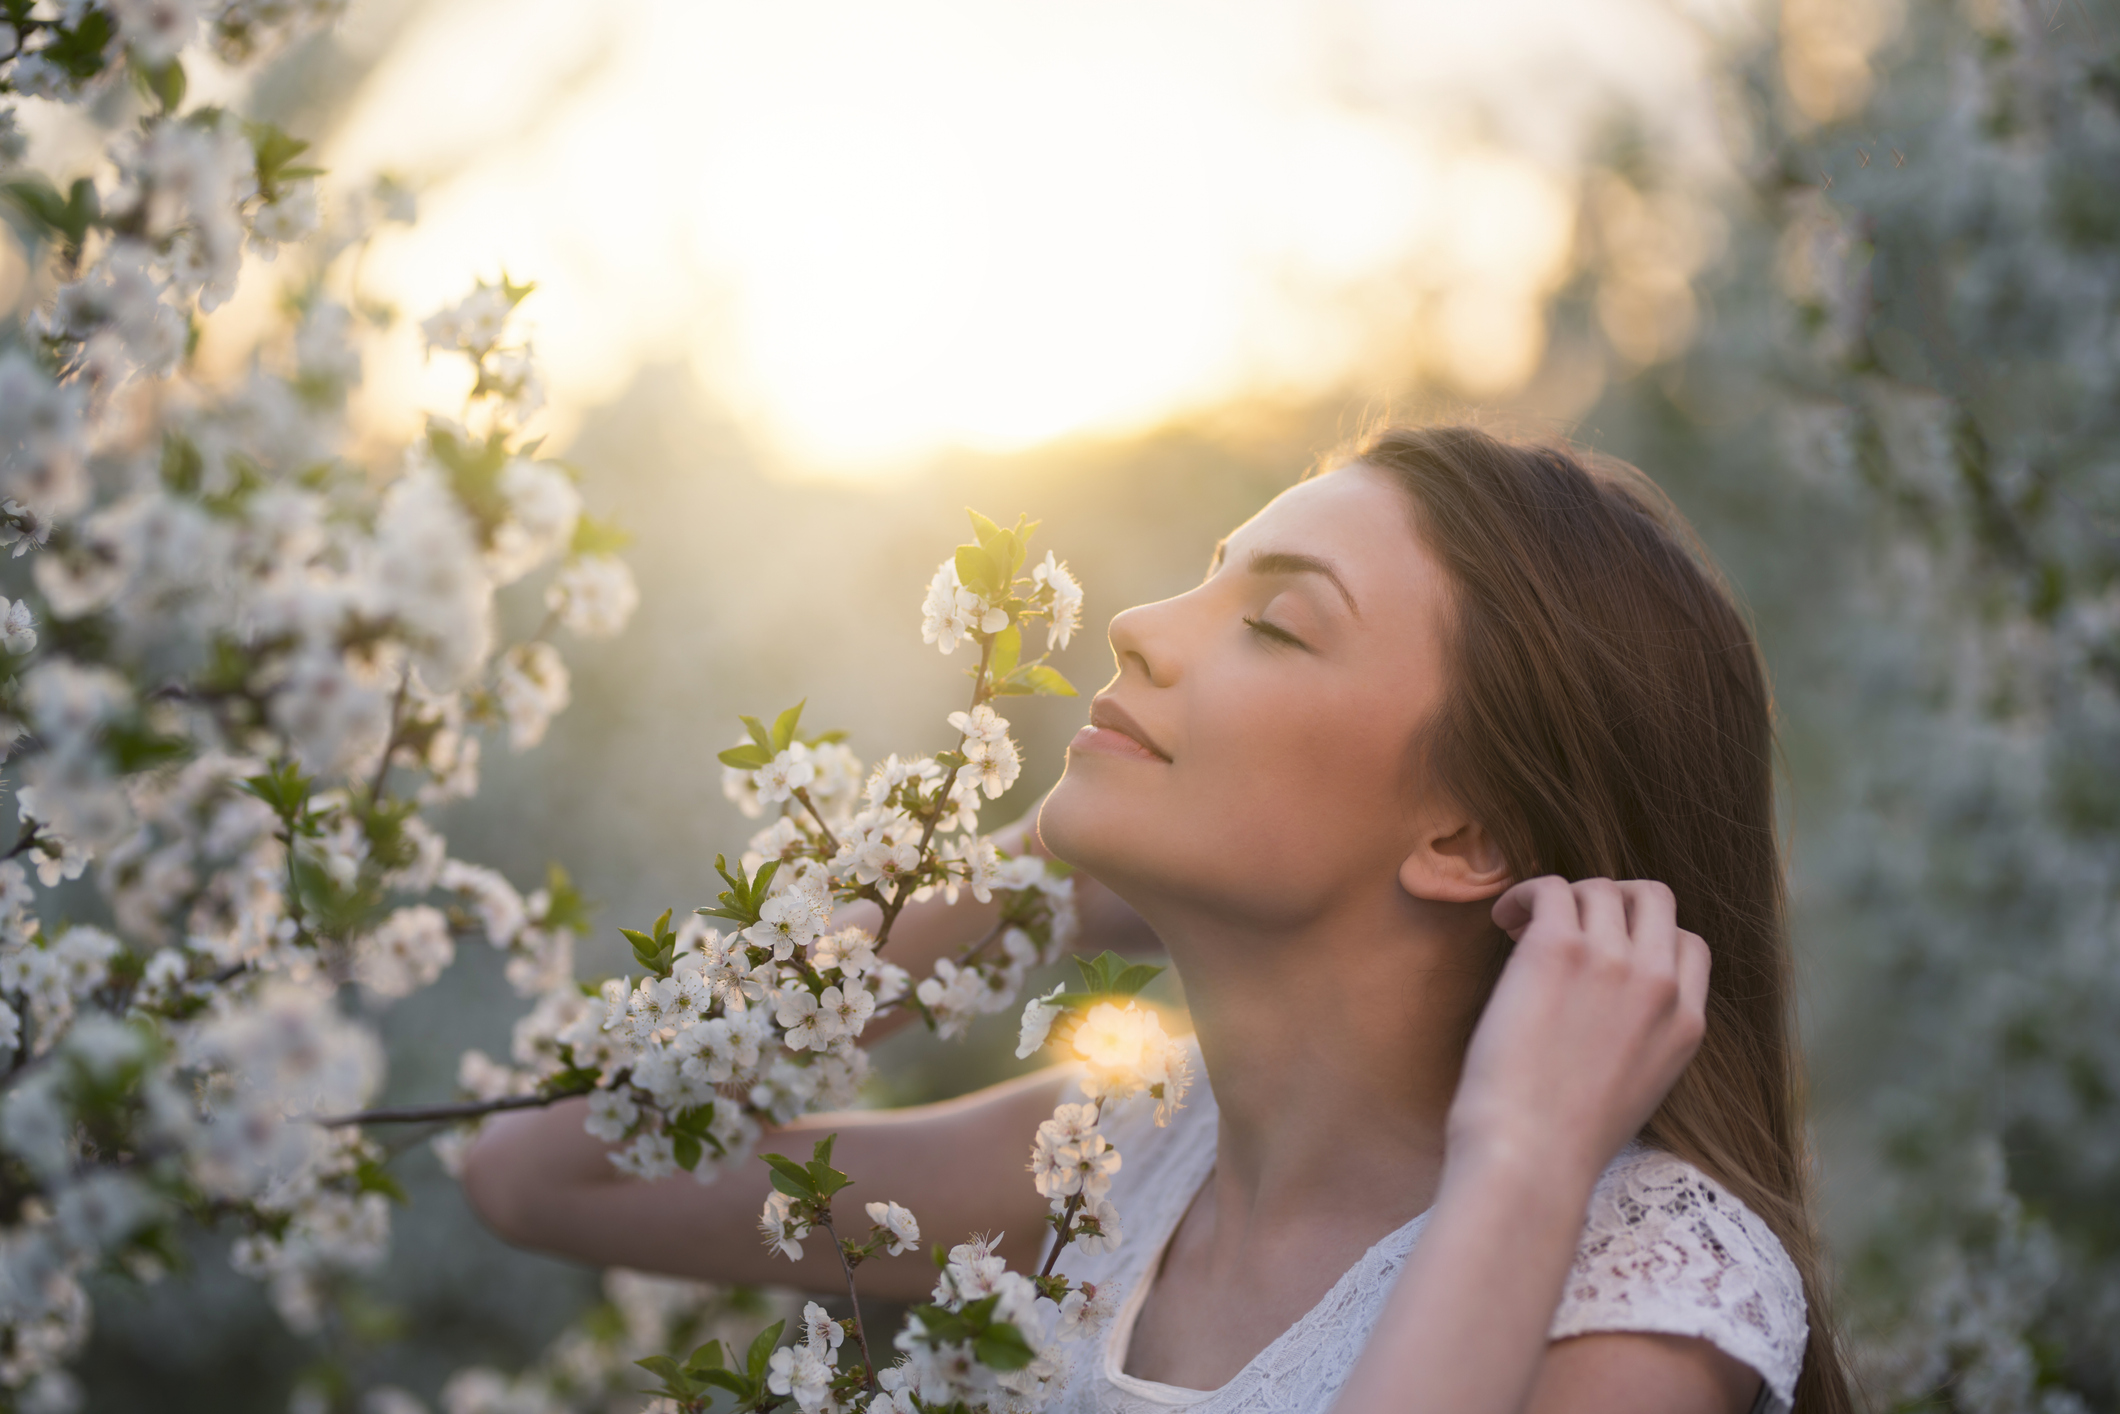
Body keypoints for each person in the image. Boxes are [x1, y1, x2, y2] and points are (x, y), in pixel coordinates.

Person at [461, 425, 1854, 1414]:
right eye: (1208, 573)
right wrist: (1022, 885)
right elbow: (540, 1170)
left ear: (1466, 835)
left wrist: (1527, 1155)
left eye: (1282, 624)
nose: (1136, 621)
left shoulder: (1637, 1284)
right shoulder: (1118, 1164)